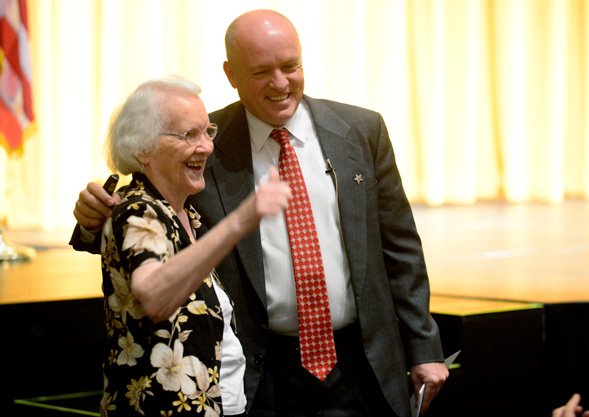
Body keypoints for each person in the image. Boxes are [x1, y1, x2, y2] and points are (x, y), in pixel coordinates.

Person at [71, 9, 448, 417]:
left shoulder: (361, 130)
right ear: (231, 74)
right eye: (261, 72)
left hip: (360, 363)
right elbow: (144, 217)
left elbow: (400, 248)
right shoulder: (202, 142)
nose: (281, 83)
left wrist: (425, 348)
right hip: (260, 371)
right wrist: (93, 218)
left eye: (290, 66)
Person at [93, 76, 291, 416]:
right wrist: (243, 219)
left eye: (207, 131)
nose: (207, 147)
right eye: (189, 135)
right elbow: (154, 295)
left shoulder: (188, 213)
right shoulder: (139, 209)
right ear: (143, 148)